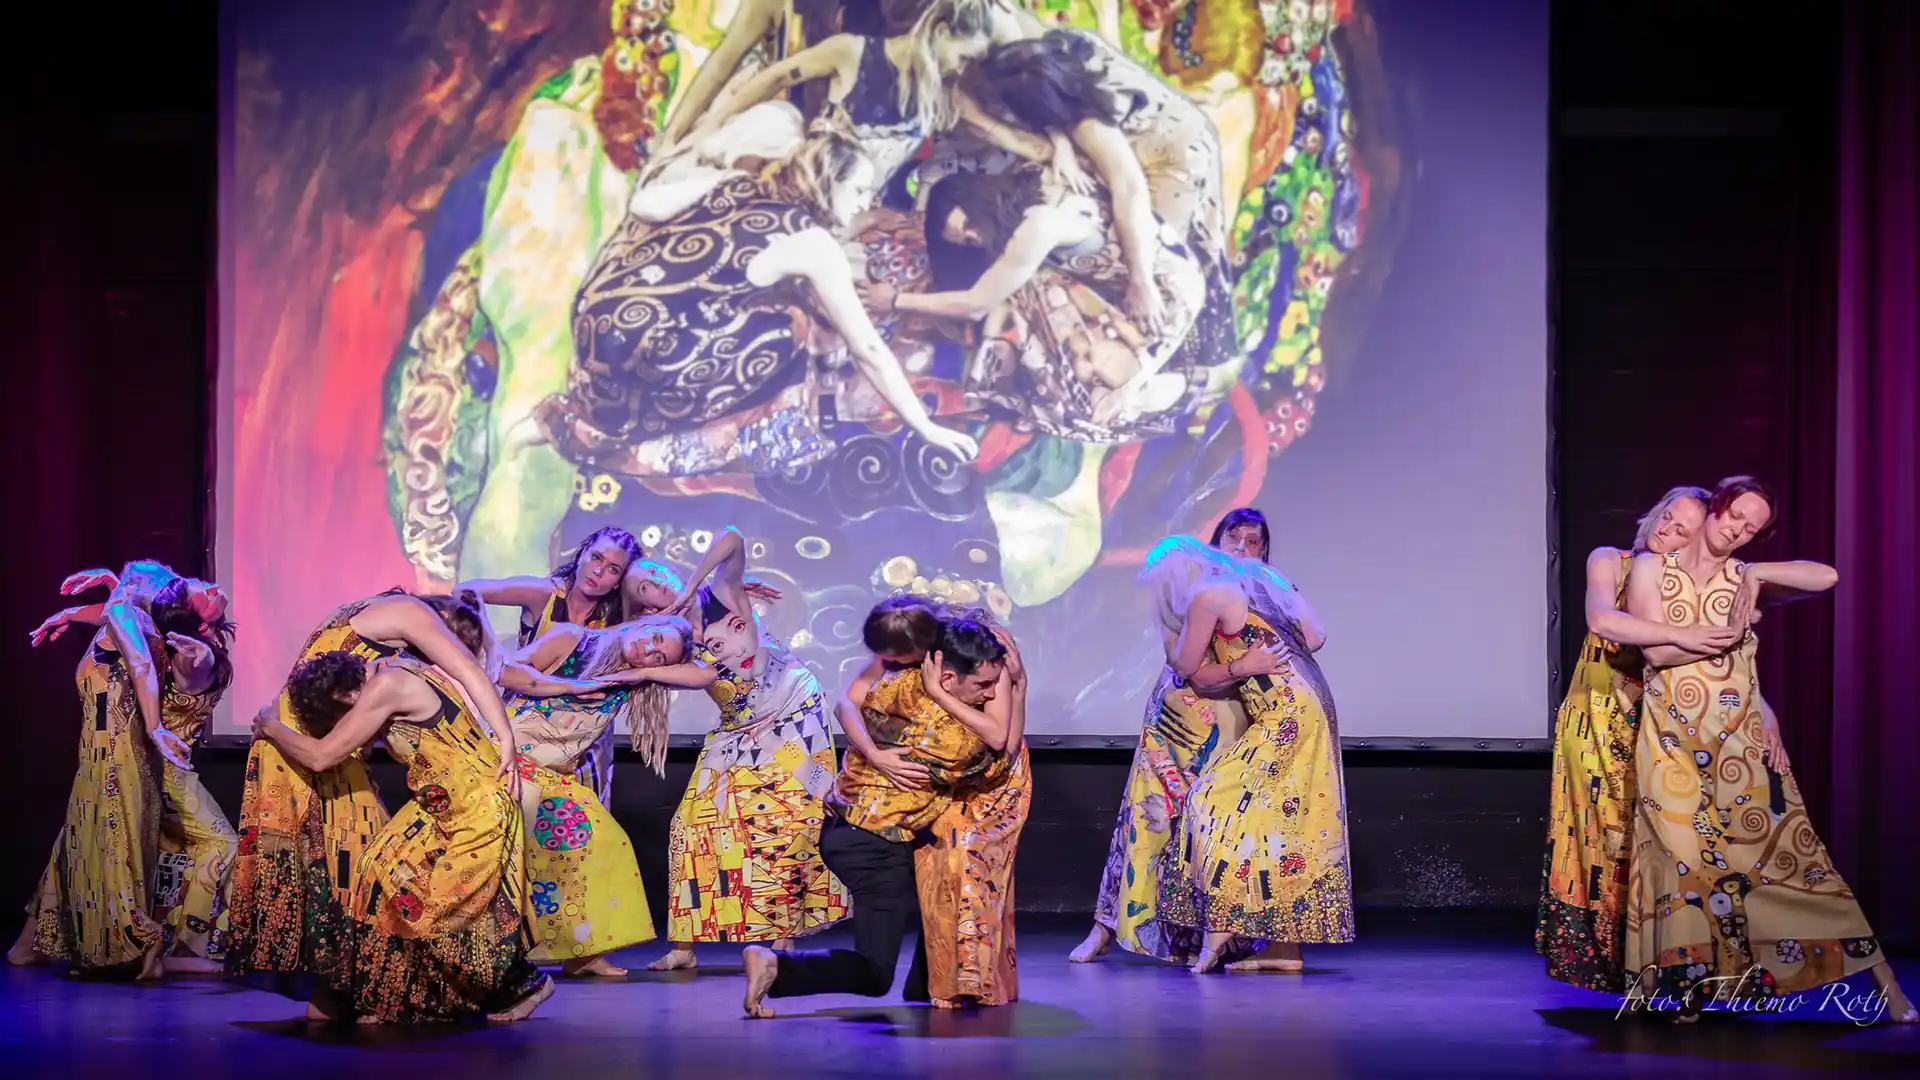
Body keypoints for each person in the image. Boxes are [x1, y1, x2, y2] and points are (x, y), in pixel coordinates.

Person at [533, 119, 979, 480]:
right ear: (829, 182)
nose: (868, 199)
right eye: (860, 189)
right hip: (655, 353)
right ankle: (729, 430)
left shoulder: (737, 182)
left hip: (597, 315)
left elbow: (646, 205)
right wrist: (925, 426)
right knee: (789, 327)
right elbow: (869, 349)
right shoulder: (812, 243)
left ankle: (570, 414)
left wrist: (700, 241)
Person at [1623, 477, 1916, 1023]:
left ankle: (1887, 986)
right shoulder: (1651, 568)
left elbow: (1826, 576)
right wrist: (1718, 634)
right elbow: (1655, 649)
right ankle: (1692, 992)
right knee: (1683, 865)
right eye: (1735, 516)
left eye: (1752, 529)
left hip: (1741, 742)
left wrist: (1758, 574)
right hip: (1670, 743)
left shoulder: (1744, 576)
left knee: (1794, 864)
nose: (1738, 531)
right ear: (1715, 508)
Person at [225, 588, 519, 999]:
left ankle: (511, 984)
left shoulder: (386, 672)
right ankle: (373, 987)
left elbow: (327, 753)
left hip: (470, 803)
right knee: (373, 868)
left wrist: (505, 739)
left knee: (413, 897)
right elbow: (463, 669)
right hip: (430, 800)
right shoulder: (391, 648)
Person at [256, 647, 548, 1023]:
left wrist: (271, 727)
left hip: (477, 807)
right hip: (437, 803)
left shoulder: (386, 686)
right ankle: (388, 991)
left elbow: (321, 756)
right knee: (378, 869)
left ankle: (525, 985)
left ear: (345, 696)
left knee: (442, 910)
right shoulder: (392, 668)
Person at [740, 613, 1011, 1017]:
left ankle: (927, 985)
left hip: (855, 827)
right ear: (948, 678)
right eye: (984, 686)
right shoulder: (950, 734)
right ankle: (777, 967)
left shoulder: (898, 683)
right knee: (874, 972)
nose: (991, 695)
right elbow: (998, 751)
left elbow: (853, 702)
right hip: (872, 842)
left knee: (939, 899)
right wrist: (1017, 690)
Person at [1536, 486, 1745, 992]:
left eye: (1681, 529)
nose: (1665, 529)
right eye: (1665, 516)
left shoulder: (1690, 591)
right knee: (1602, 838)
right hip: (1595, 718)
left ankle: (1660, 960)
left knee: (1657, 841)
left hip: (1658, 726)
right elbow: (1602, 619)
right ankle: (1609, 961)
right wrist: (1687, 636)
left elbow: (1731, 662)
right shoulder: (1611, 560)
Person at [862, 163, 1213, 443]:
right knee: (1029, 301)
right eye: (965, 240)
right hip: (1136, 288)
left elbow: (976, 304)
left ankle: (1166, 385)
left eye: (968, 223)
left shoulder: (1037, 224)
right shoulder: (1026, 199)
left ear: (978, 200)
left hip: (1162, 294)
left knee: (1093, 399)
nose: (974, 237)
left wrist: (894, 300)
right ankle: (1146, 383)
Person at [1071, 509, 1280, 965]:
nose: (1244, 549)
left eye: (1254, 541)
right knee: (1146, 825)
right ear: (1215, 542)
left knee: (1211, 835)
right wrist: (1243, 668)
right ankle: (1106, 926)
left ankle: (1206, 937)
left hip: (1233, 726)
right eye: (1234, 538)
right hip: (1178, 724)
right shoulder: (1189, 586)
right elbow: (1187, 667)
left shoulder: (1265, 592)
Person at [1144, 535, 1352, 974]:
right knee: (1281, 821)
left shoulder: (1205, 593)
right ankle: (1284, 950)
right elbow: (1317, 635)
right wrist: (1260, 652)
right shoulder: (1261, 576)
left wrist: (1239, 664)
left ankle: (1221, 925)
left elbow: (1185, 667)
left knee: (1208, 802)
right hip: (1309, 701)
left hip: (1283, 713)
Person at [644, 527, 848, 971]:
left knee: (790, 813)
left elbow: (733, 539)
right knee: (689, 825)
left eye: (657, 575)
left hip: (791, 716)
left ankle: (781, 937)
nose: (657, 586)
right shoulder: (663, 643)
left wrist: (695, 585)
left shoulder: (722, 594)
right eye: (644, 587)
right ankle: (683, 945)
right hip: (740, 730)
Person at [19, 564, 238, 975]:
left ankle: (179, 948)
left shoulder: (195, 654)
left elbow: (138, 629)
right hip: (140, 753)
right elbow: (126, 603)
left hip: (162, 765)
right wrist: (87, 599)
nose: (212, 588)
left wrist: (108, 586)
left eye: (210, 599)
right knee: (77, 836)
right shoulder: (148, 624)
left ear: (200, 627)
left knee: (217, 843)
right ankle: (37, 939)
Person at [499, 613, 712, 977]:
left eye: (660, 657)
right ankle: (512, 952)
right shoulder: (573, 639)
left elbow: (706, 674)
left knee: (605, 841)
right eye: (656, 638)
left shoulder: (630, 677)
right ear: (644, 623)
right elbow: (503, 670)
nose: (650, 650)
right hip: (507, 762)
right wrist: (569, 686)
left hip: (551, 775)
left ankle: (583, 952)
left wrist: (643, 673)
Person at [461, 525, 645, 802]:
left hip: (584, 745)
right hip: (525, 729)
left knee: (577, 835)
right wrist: (492, 644)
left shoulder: (620, 622)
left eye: (613, 569)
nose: (598, 571)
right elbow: (465, 591)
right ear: (582, 553)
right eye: (596, 558)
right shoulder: (544, 594)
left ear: (619, 581)